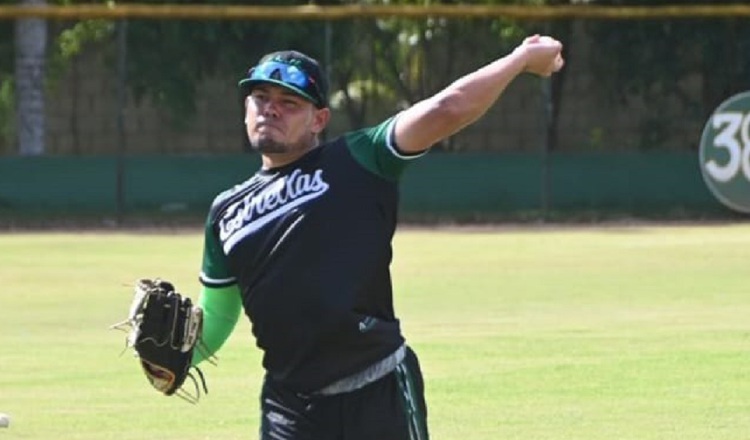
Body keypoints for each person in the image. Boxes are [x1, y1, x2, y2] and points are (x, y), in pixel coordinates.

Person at [191, 35, 564, 440]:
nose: (271, 110)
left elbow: (446, 109)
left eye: (289, 102)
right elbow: (218, 317)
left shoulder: (359, 158)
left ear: (318, 119)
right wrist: (173, 359)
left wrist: (520, 58)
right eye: (261, 98)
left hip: (377, 391)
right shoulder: (226, 212)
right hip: (291, 409)